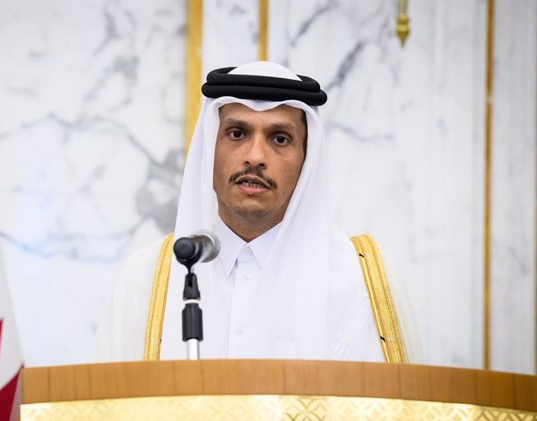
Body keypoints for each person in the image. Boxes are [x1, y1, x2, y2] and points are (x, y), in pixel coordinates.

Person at [94, 61, 411, 363]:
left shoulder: (360, 283)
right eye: (237, 134)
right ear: (210, 151)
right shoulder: (145, 279)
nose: (256, 156)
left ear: (307, 161)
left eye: (280, 139)